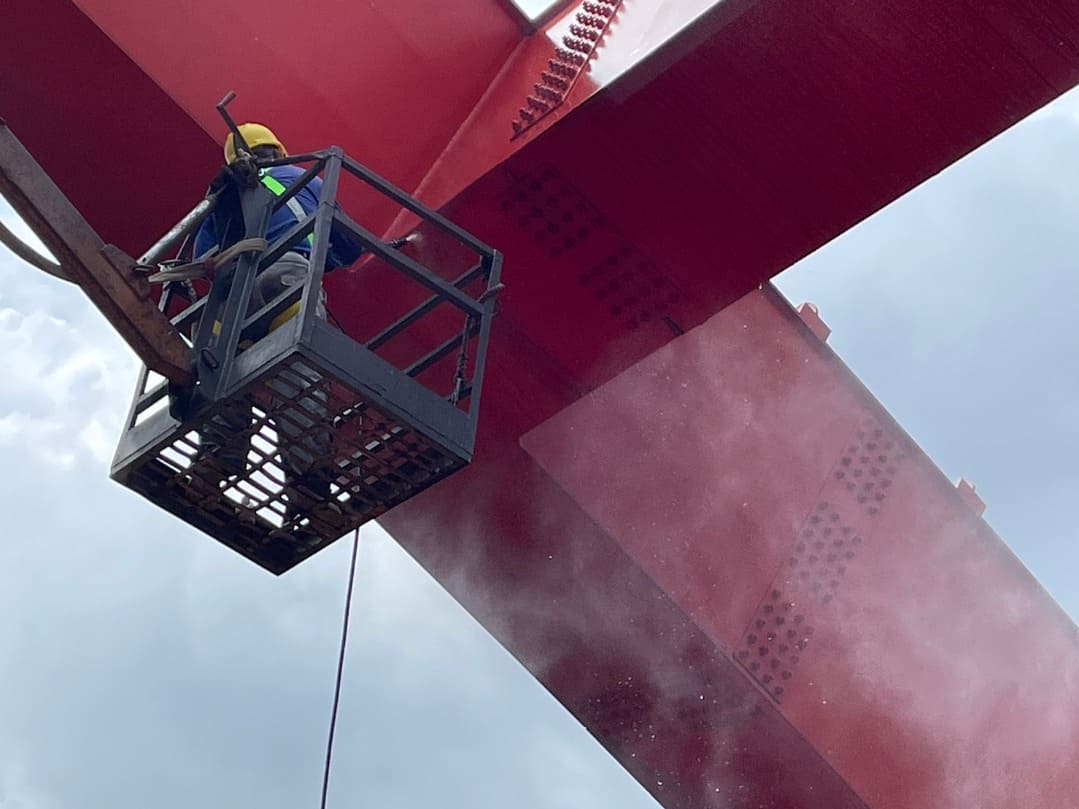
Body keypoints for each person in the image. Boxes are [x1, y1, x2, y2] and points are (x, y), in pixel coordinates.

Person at [190, 123, 363, 524]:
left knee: (224, 380)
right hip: (286, 278)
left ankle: (213, 466)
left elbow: (203, 262)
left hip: (228, 303)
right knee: (298, 381)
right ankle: (309, 493)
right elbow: (347, 242)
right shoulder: (301, 178)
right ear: (277, 149)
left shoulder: (220, 200)